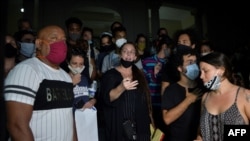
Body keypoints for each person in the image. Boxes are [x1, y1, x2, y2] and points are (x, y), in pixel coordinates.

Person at [4, 25, 76, 141]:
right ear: (38, 43)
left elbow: (69, 118)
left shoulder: (66, 76)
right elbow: (17, 126)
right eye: (54, 38)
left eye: (63, 40)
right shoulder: (26, 70)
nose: (60, 43)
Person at [100, 42, 152, 141]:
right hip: (119, 127)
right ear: (120, 54)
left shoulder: (140, 75)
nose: (128, 54)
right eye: (125, 51)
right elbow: (107, 98)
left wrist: (150, 119)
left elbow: (145, 100)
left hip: (140, 126)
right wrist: (121, 87)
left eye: (132, 52)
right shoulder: (110, 75)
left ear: (135, 56)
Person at [196, 52, 250, 141]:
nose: (201, 76)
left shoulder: (245, 96)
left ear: (221, 70)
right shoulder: (205, 97)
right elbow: (201, 132)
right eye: (200, 72)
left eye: (205, 71)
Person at [162, 47, 203, 141]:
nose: (194, 65)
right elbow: (167, 119)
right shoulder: (171, 90)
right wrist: (188, 100)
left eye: (195, 62)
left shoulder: (202, 87)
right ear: (180, 68)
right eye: (190, 62)